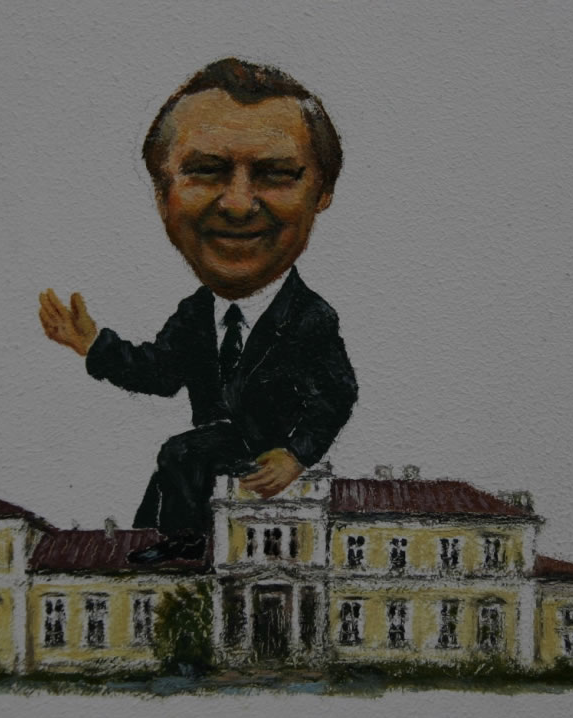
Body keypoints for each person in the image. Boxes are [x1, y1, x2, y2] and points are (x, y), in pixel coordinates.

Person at [38, 58, 357, 563]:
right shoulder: (195, 314)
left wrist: (296, 454)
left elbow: (336, 394)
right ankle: (162, 546)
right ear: (162, 195)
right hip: (218, 449)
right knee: (173, 468)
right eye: (206, 171)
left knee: (180, 454)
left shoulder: (311, 317)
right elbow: (160, 371)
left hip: (263, 455)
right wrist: (94, 345)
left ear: (323, 193)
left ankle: (178, 544)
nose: (238, 204)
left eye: (277, 173)